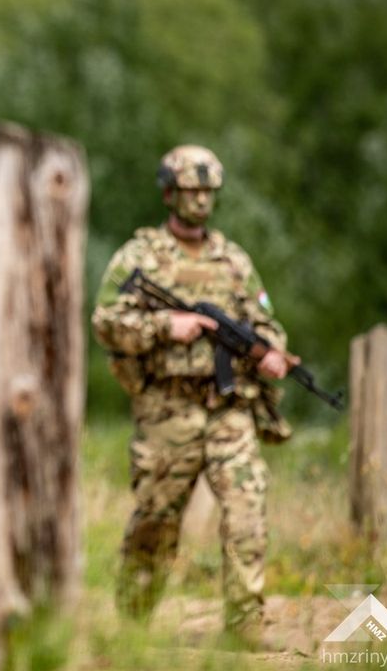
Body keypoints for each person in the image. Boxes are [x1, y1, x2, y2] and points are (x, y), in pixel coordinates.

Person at [91, 145, 292, 644]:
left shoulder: (233, 261)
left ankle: (245, 626)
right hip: (167, 409)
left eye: (207, 192)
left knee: (247, 511)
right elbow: (105, 322)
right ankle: (132, 626)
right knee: (155, 522)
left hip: (229, 408)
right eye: (189, 191)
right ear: (168, 193)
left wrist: (272, 353)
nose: (200, 201)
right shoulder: (140, 257)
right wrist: (165, 325)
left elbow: (266, 324)